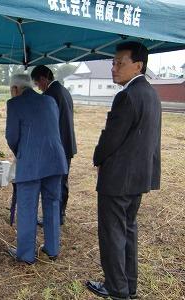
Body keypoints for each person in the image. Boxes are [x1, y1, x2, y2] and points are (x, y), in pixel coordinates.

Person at [86, 41, 161, 300]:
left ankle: (116, 289)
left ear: (138, 65)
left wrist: (97, 158)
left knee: (113, 234)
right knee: (128, 230)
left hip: (118, 179)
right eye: (113, 62)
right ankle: (128, 286)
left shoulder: (127, 95)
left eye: (120, 63)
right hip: (139, 176)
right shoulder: (150, 93)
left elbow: (111, 138)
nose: (114, 68)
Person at [5, 74, 67, 264]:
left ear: (15, 89)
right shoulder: (49, 100)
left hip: (31, 163)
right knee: (53, 204)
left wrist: (21, 153)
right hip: (55, 160)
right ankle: (52, 248)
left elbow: (12, 137)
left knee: (27, 208)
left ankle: (25, 255)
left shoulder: (14, 104)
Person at [31, 65, 77, 225]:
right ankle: (60, 214)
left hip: (56, 146)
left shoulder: (50, 94)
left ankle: (53, 217)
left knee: (53, 183)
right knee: (63, 181)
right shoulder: (64, 91)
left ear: (43, 79)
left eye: (37, 84)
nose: (38, 88)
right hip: (67, 144)